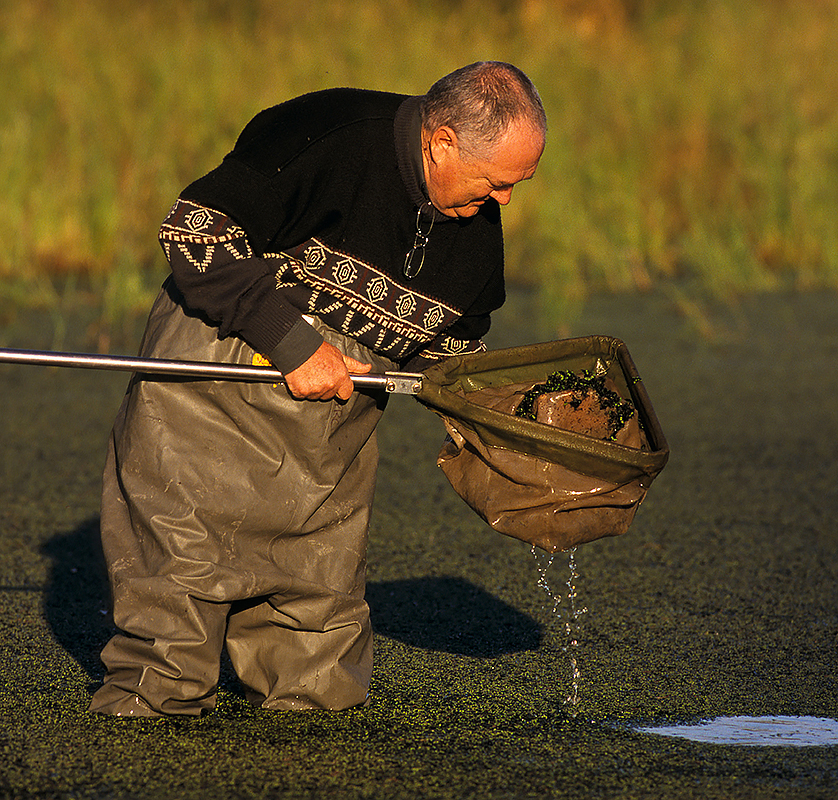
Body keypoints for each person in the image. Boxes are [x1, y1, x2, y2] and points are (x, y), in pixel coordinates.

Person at [89, 61, 547, 717]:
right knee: (170, 635)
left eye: (516, 185)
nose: (504, 202)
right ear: (441, 141)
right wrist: (292, 340)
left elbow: (452, 346)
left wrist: (498, 422)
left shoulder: (474, 222)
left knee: (320, 667)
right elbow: (192, 234)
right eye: (497, 181)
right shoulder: (326, 132)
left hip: (328, 448)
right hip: (210, 397)